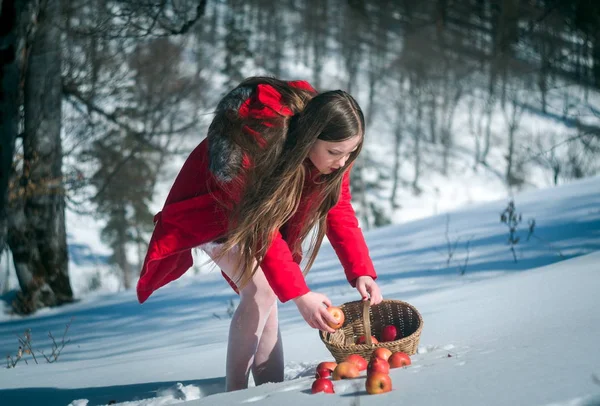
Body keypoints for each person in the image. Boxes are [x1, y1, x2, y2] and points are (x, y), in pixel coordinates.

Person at [136, 77, 383, 391]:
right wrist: (300, 295)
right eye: (336, 152)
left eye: (351, 153)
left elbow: (339, 209)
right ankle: (234, 392)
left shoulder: (333, 158)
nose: (343, 162)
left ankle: (272, 389)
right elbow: (262, 229)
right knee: (261, 292)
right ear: (309, 140)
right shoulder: (260, 150)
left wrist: (361, 271)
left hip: (252, 216)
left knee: (265, 303)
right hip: (214, 211)